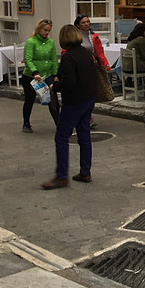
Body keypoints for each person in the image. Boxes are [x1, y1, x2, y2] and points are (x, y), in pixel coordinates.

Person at [42, 24, 96, 189]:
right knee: (84, 135)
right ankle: (85, 171)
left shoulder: (68, 57)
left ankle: (61, 177)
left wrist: (54, 87)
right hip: (88, 98)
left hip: (74, 102)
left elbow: (69, 83)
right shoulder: (86, 52)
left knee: (61, 137)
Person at [21, 18, 59, 133]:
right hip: (32, 76)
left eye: (49, 31)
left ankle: (59, 123)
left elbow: (53, 59)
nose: (47, 33)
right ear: (39, 29)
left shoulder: (50, 42)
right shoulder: (31, 42)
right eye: (45, 30)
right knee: (30, 99)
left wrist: (55, 74)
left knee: (53, 99)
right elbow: (28, 59)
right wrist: (34, 72)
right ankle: (26, 123)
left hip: (47, 75)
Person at [74, 14, 110, 129]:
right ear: (78, 25)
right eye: (83, 22)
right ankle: (84, 117)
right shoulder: (74, 36)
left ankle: (87, 116)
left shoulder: (93, 36)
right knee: (82, 94)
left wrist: (105, 64)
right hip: (79, 68)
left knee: (91, 94)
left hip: (91, 68)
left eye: (88, 22)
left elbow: (99, 52)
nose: (86, 24)